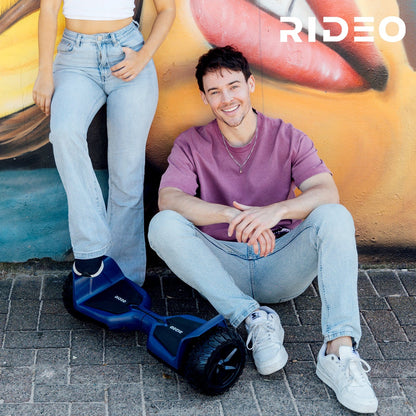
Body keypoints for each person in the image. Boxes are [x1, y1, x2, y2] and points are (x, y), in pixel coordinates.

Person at [148, 46, 378, 414]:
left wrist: (275, 212)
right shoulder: (192, 142)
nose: (227, 99)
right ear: (205, 97)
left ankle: (339, 352)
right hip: (223, 269)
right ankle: (253, 318)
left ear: (251, 85)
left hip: (281, 261)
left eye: (234, 86)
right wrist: (231, 216)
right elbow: (170, 198)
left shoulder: (287, 137)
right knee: (163, 225)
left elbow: (325, 191)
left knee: (335, 216)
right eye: (215, 92)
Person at [32, 0, 175, 284]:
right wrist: (44, 72)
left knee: (127, 172)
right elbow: (48, 10)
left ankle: (125, 281)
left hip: (127, 54)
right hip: (74, 59)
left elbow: (167, 10)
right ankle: (92, 248)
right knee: (64, 133)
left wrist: (143, 56)